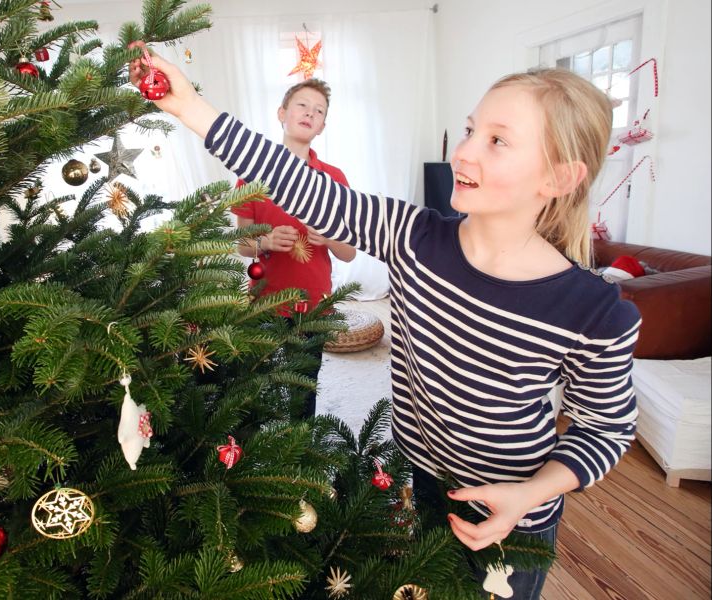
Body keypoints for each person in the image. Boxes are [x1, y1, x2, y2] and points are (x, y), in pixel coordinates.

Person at [131, 51, 639, 599]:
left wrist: (531, 493)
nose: (464, 150)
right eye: (470, 130)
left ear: (559, 176)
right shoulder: (414, 234)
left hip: (513, 516)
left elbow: (607, 428)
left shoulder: (597, 312)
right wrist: (189, 107)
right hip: (419, 476)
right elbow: (303, 187)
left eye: (497, 140)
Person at [232, 78, 356, 419]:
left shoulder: (334, 179)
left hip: (313, 305)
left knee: (303, 387)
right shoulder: (252, 177)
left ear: (322, 126)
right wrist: (267, 241)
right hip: (264, 302)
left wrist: (329, 238)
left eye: (319, 111)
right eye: (302, 105)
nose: (310, 113)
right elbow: (243, 245)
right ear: (282, 113)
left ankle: (298, 453)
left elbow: (349, 253)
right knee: (255, 385)